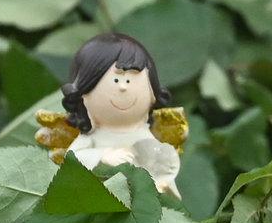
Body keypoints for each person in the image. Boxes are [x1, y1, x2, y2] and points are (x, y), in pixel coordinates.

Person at [39, 31, 186, 192]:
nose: (123, 87)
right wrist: (103, 156)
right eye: (116, 79)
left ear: (153, 93)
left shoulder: (144, 135)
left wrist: (160, 184)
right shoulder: (92, 137)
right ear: (82, 95)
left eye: (130, 80)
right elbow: (72, 159)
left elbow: (159, 165)